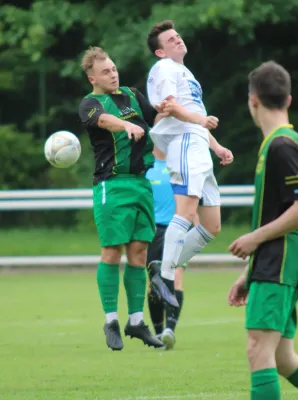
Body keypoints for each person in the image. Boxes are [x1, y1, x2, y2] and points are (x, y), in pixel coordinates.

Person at [227, 61, 298, 400]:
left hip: (280, 260)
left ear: (253, 101)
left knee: (257, 350)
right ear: (288, 100)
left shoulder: (282, 145)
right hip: (278, 261)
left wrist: (253, 240)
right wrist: (250, 272)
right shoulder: (280, 143)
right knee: (282, 358)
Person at [78, 46, 163, 350]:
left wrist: (169, 107)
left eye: (113, 69)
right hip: (111, 186)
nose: (112, 74)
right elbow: (102, 121)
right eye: (105, 72)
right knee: (112, 251)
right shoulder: (90, 103)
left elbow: (156, 117)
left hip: (141, 184)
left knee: (139, 252)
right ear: (92, 78)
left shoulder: (132, 95)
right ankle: (111, 320)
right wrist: (125, 124)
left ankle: (137, 322)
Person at [145, 20, 234, 302]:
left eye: (178, 36)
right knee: (184, 213)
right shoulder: (165, 69)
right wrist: (200, 120)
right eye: (170, 40)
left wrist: (216, 147)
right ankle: (166, 279)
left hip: (198, 145)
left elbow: (193, 112)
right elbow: (171, 107)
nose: (178, 40)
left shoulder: (184, 71)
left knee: (211, 226)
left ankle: (164, 267)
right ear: (160, 52)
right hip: (183, 143)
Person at [146, 145, 197, 349]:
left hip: (178, 228)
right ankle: (158, 333)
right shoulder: (145, 166)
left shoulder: (180, 164)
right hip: (151, 231)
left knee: (176, 277)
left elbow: (193, 197)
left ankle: (170, 331)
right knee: (155, 284)